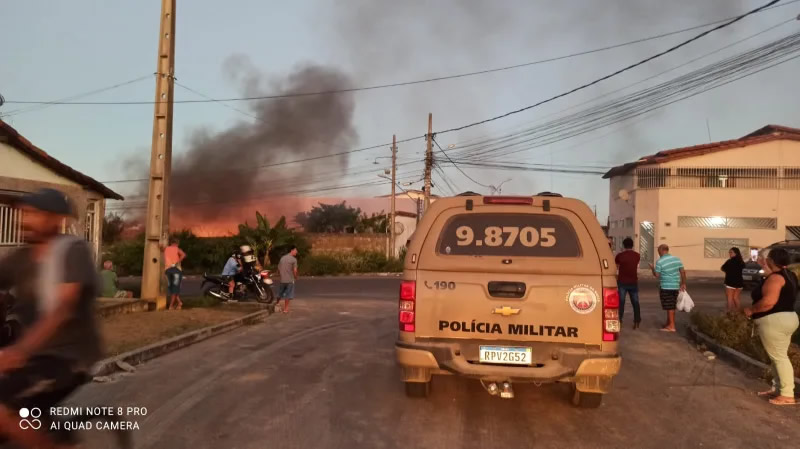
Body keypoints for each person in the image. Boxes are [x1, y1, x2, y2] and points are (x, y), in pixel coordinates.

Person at [0, 188, 104, 449]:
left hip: (67, 357)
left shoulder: (73, 251)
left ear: (56, 219)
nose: (24, 219)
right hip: (31, 355)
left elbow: (63, 309)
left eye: (34, 213)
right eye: (22, 212)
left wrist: (20, 351)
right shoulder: (21, 257)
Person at [744, 248, 798, 406]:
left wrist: (751, 310)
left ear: (772, 261)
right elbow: (768, 277)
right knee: (777, 357)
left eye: (767, 259)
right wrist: (765, 266)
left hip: (774, 320)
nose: (764, 260)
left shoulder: (775, 278)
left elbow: (769, 302)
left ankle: (787, 394)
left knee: (779, 358)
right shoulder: (789, 275)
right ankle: (778, 388)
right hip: (788, 317)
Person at [649, 244, 686, 332]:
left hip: (666, 286)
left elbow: (657, 275)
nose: (659, 254)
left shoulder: (660, 261)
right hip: (675, 286)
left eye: (658, 252)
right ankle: (668, 323)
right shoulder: (677, 259)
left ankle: (672, 326)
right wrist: (683, 283)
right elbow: (683, 272)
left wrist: (652, 268)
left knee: (669, 307)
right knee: (671, 305)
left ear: (661, 251)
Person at [615, 237, 641, 329]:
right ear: (632, 245)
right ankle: (637, 321)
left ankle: (619, 321)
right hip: (633, 282)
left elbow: (617, 264)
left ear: (624, 245)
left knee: (621, 302)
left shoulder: (620, 255)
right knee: (635, 302)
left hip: (622, 282)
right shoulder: (637, 255)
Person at [163, 238, 186, 310]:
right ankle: (171, 306)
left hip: (167, 270)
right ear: (176, 244)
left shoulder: (166, 248)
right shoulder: (176, 248)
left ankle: (179, 302)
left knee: (172, 288)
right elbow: (183, 255)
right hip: (176, 270)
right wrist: (177, 262)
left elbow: (160, 247)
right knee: (175, 288)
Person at [721, 247, 746, 312]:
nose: (730, 254)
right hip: (739, 283)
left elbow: (723, 268)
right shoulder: (741, 262)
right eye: (729, 252)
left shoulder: (729, 261)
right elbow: (743, 268)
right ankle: (738, 312)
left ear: (736, 253)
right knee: (736, 298)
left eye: (731, 252)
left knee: (729, 298)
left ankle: (729, 313)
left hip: (730, 282)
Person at [277, 246, 299, 314]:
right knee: (288, 294)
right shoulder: (294, 259)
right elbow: (295, 270)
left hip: (282, 280)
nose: (296, 252)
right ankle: (286, 309)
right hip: (289, 280)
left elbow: (278, 269)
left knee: (280, 293)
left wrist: (280, 276)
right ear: (291, 250)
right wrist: (295, 277)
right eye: (295, 251)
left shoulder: (282, 258)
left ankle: (277, 304)